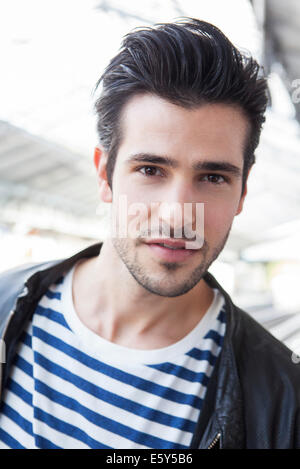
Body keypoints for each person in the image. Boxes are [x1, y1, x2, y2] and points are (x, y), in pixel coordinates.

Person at [0, 18, 299, 450]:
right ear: (105, 175)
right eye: (150, 170)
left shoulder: (283, 402)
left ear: (242, 192)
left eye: (213, 177)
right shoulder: (6, 305)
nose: (178, 215)